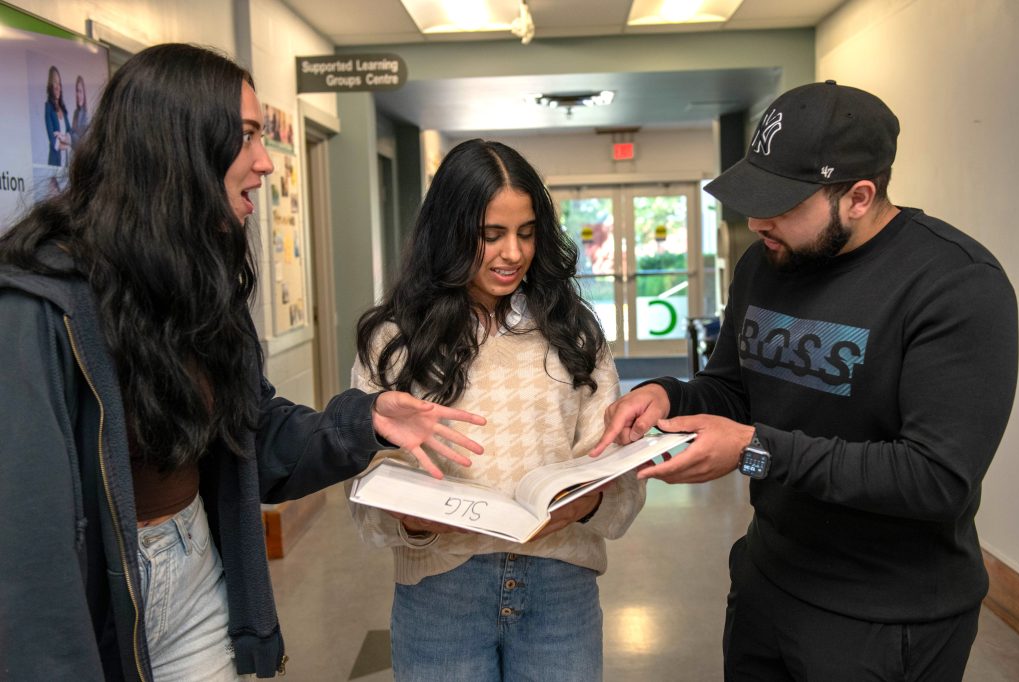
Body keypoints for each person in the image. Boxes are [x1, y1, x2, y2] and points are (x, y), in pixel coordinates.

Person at [0, 43, 485, 681]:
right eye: (248, 136)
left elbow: (253, 438)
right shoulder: (37, 304)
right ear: (180, 144)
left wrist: (366, 421)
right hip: (97, 601)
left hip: (195, 570)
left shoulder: (197, 286)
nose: (264, 164)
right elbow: (27, 548)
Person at [594, 80, 1018, 680]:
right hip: (769, 582)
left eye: (783, 203)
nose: (757, 219)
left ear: (859, 197)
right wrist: (666, 393)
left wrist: (757, 451)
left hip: (887, 615)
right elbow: (733, 389)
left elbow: (936, 478)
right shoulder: (766, 261)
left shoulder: (956, 286)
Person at [348, 138, 646, 681]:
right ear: (450, 233)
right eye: (491, 236)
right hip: (442, 590)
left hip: (560, 584)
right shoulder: (394, 340)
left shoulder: (573, 333)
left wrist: (586, 503)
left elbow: (614, 465)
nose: (513, 253)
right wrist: (410, 521)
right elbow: (366, 481)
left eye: (527, 233)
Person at [44, 65, 72, 166]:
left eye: (59, 83)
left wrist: (65, 138)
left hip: (67, 160)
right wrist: (67, 145)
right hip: (55, 159)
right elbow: (52, 138)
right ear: (50, 86)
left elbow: (70, 131)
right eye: (54, 83)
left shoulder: (63, 110)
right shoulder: (48, 107)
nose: (57, 87)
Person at [71, 74, 90, 147]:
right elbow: (73, 133)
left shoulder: (87, 114)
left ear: (84, 93)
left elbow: (82, 140)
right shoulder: (76, 113)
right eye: (77, 91)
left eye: (80, 91)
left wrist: (70, 137)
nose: (78, 95)